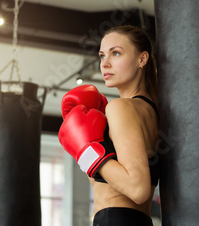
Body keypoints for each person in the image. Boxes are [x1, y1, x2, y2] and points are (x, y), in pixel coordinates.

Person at [58, 25, 159, 226]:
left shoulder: (121, 108)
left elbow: (138, 189)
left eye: (116, 53)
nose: (105, 64)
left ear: (142, 59)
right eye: (103, 56)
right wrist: (90, 147)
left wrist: (86, 151)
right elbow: (105, 186)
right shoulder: (151, 111)